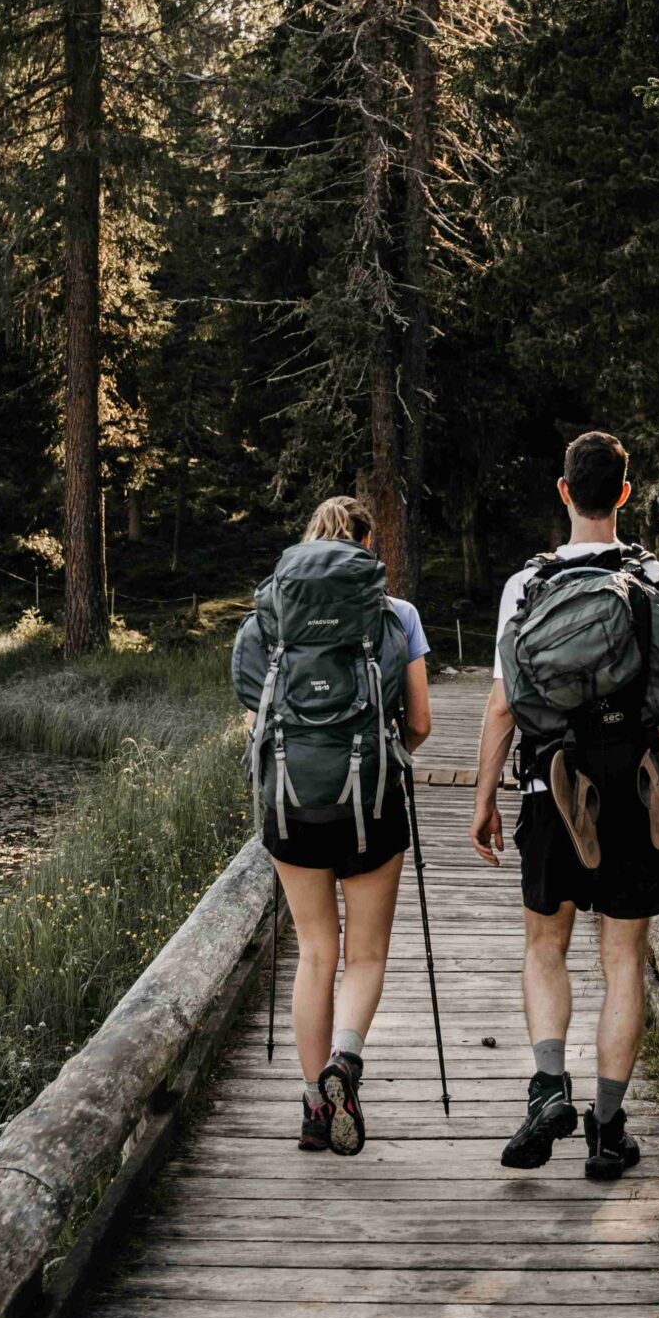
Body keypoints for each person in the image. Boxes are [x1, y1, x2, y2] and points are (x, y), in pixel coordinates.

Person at [470, 431, 659, 1180]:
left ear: (564, 491)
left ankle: (547, 1087)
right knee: (623, 960)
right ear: (624, 494)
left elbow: (502, 706)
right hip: (635, 793)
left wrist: (484, 797)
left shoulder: (525, 586)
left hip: (551, 789)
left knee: (545, 947)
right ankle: (606, 1130)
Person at [239, 495, 432, 1155]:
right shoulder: (396, 614)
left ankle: (313, 1110)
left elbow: (255, 719)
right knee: (365, 954)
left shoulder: (270, 617)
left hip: (292, 803)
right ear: (367, 546)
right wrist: (383, 749)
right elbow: (421, 723)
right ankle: (344, 1061)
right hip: (371, 801)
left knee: (315, 953)